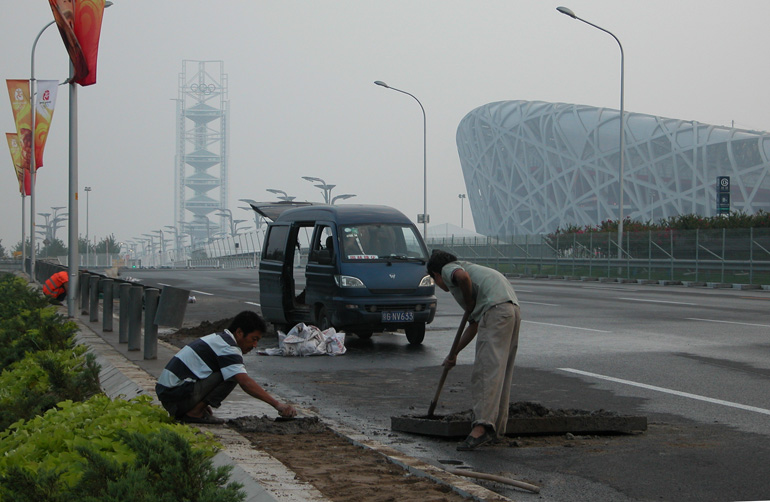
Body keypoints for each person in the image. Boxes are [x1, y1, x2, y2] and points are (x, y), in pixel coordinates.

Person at [426, 250, 521, 451]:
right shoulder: (473, 269)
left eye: (436, 281)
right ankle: (495, 428)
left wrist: (469, 301)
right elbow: (475, 325)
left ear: (436, 274)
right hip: (510, 309)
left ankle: (481, 427)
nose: (439, 285)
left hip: (496, 311)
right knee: (500, 371)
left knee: (486, 371)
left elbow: (462, 277)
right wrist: (454, 353)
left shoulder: (449, 269)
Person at [155, 310, 297, 424]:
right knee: (232, 375)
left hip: (171, 396)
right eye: (254, 339)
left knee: (230, 370)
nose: (255, 346)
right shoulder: (228, 347)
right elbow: (245, 382)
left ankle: (196, 409)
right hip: (174, 398)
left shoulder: (220, 339)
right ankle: (194, 413)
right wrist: (278, 405)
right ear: (239, 332)